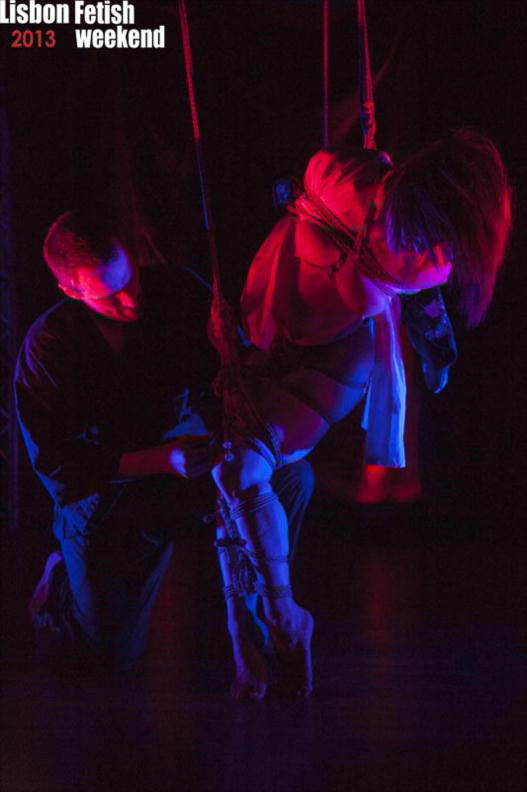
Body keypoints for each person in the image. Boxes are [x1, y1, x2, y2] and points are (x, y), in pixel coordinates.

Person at [211, 129, 511, 696]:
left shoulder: (433, 260)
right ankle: (253, 628)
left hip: (334, 362)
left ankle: (278, 617)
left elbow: (426, 308)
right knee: (231, 478)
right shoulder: (348, 181)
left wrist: (437, 357)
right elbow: (311, 175)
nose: (431, 246)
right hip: (268, 326)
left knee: (240, 469)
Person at [15, 210, 314, 692]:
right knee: (109, 655)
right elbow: (57, 464)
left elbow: (232, 383)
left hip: (187, 472)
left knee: (288, 478)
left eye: (130, 279)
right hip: (109, 503)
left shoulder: (177, 291)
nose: (131, 299)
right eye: (111, 296)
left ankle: (261, 605)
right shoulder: (47, 349)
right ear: (72, 291)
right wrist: (158, 459)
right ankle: (62, 587)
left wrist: (237, 345)